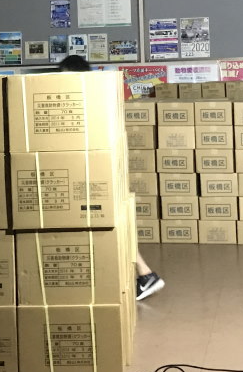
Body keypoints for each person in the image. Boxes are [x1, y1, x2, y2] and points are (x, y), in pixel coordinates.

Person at [57, 55, 165, 300]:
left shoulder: (87, 102)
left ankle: (144, 274)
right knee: (108, 225)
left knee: (109, 225)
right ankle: (142, 274)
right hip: (100, 171)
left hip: (96, 174)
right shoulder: (97, 99)